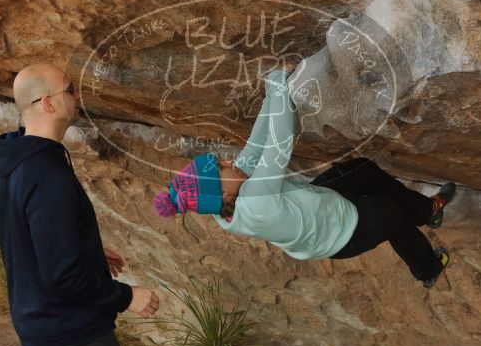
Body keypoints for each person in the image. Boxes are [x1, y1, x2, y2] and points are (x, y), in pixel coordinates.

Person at [0, 63, 160, 346]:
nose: (78, 98)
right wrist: (125, 297)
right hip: (73, 332)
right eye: (71, 91)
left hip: (41, 323)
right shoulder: (47, 174)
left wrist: (84, 247)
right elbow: (62, 276)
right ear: (47, 102)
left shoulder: (14, 162)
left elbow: (23, 233)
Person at [153, 68, 456, 288]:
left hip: (315, 206)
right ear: (225, 195)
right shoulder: (256, 203)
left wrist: (274, 90)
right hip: (342, 232)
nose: (229, 161)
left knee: (362, 170)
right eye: (221, 167)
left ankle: (428, 212)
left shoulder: (224, 201)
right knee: (395, 217)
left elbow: (257, 143)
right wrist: (279, 88)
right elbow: (278, 146)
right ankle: (427, 269)